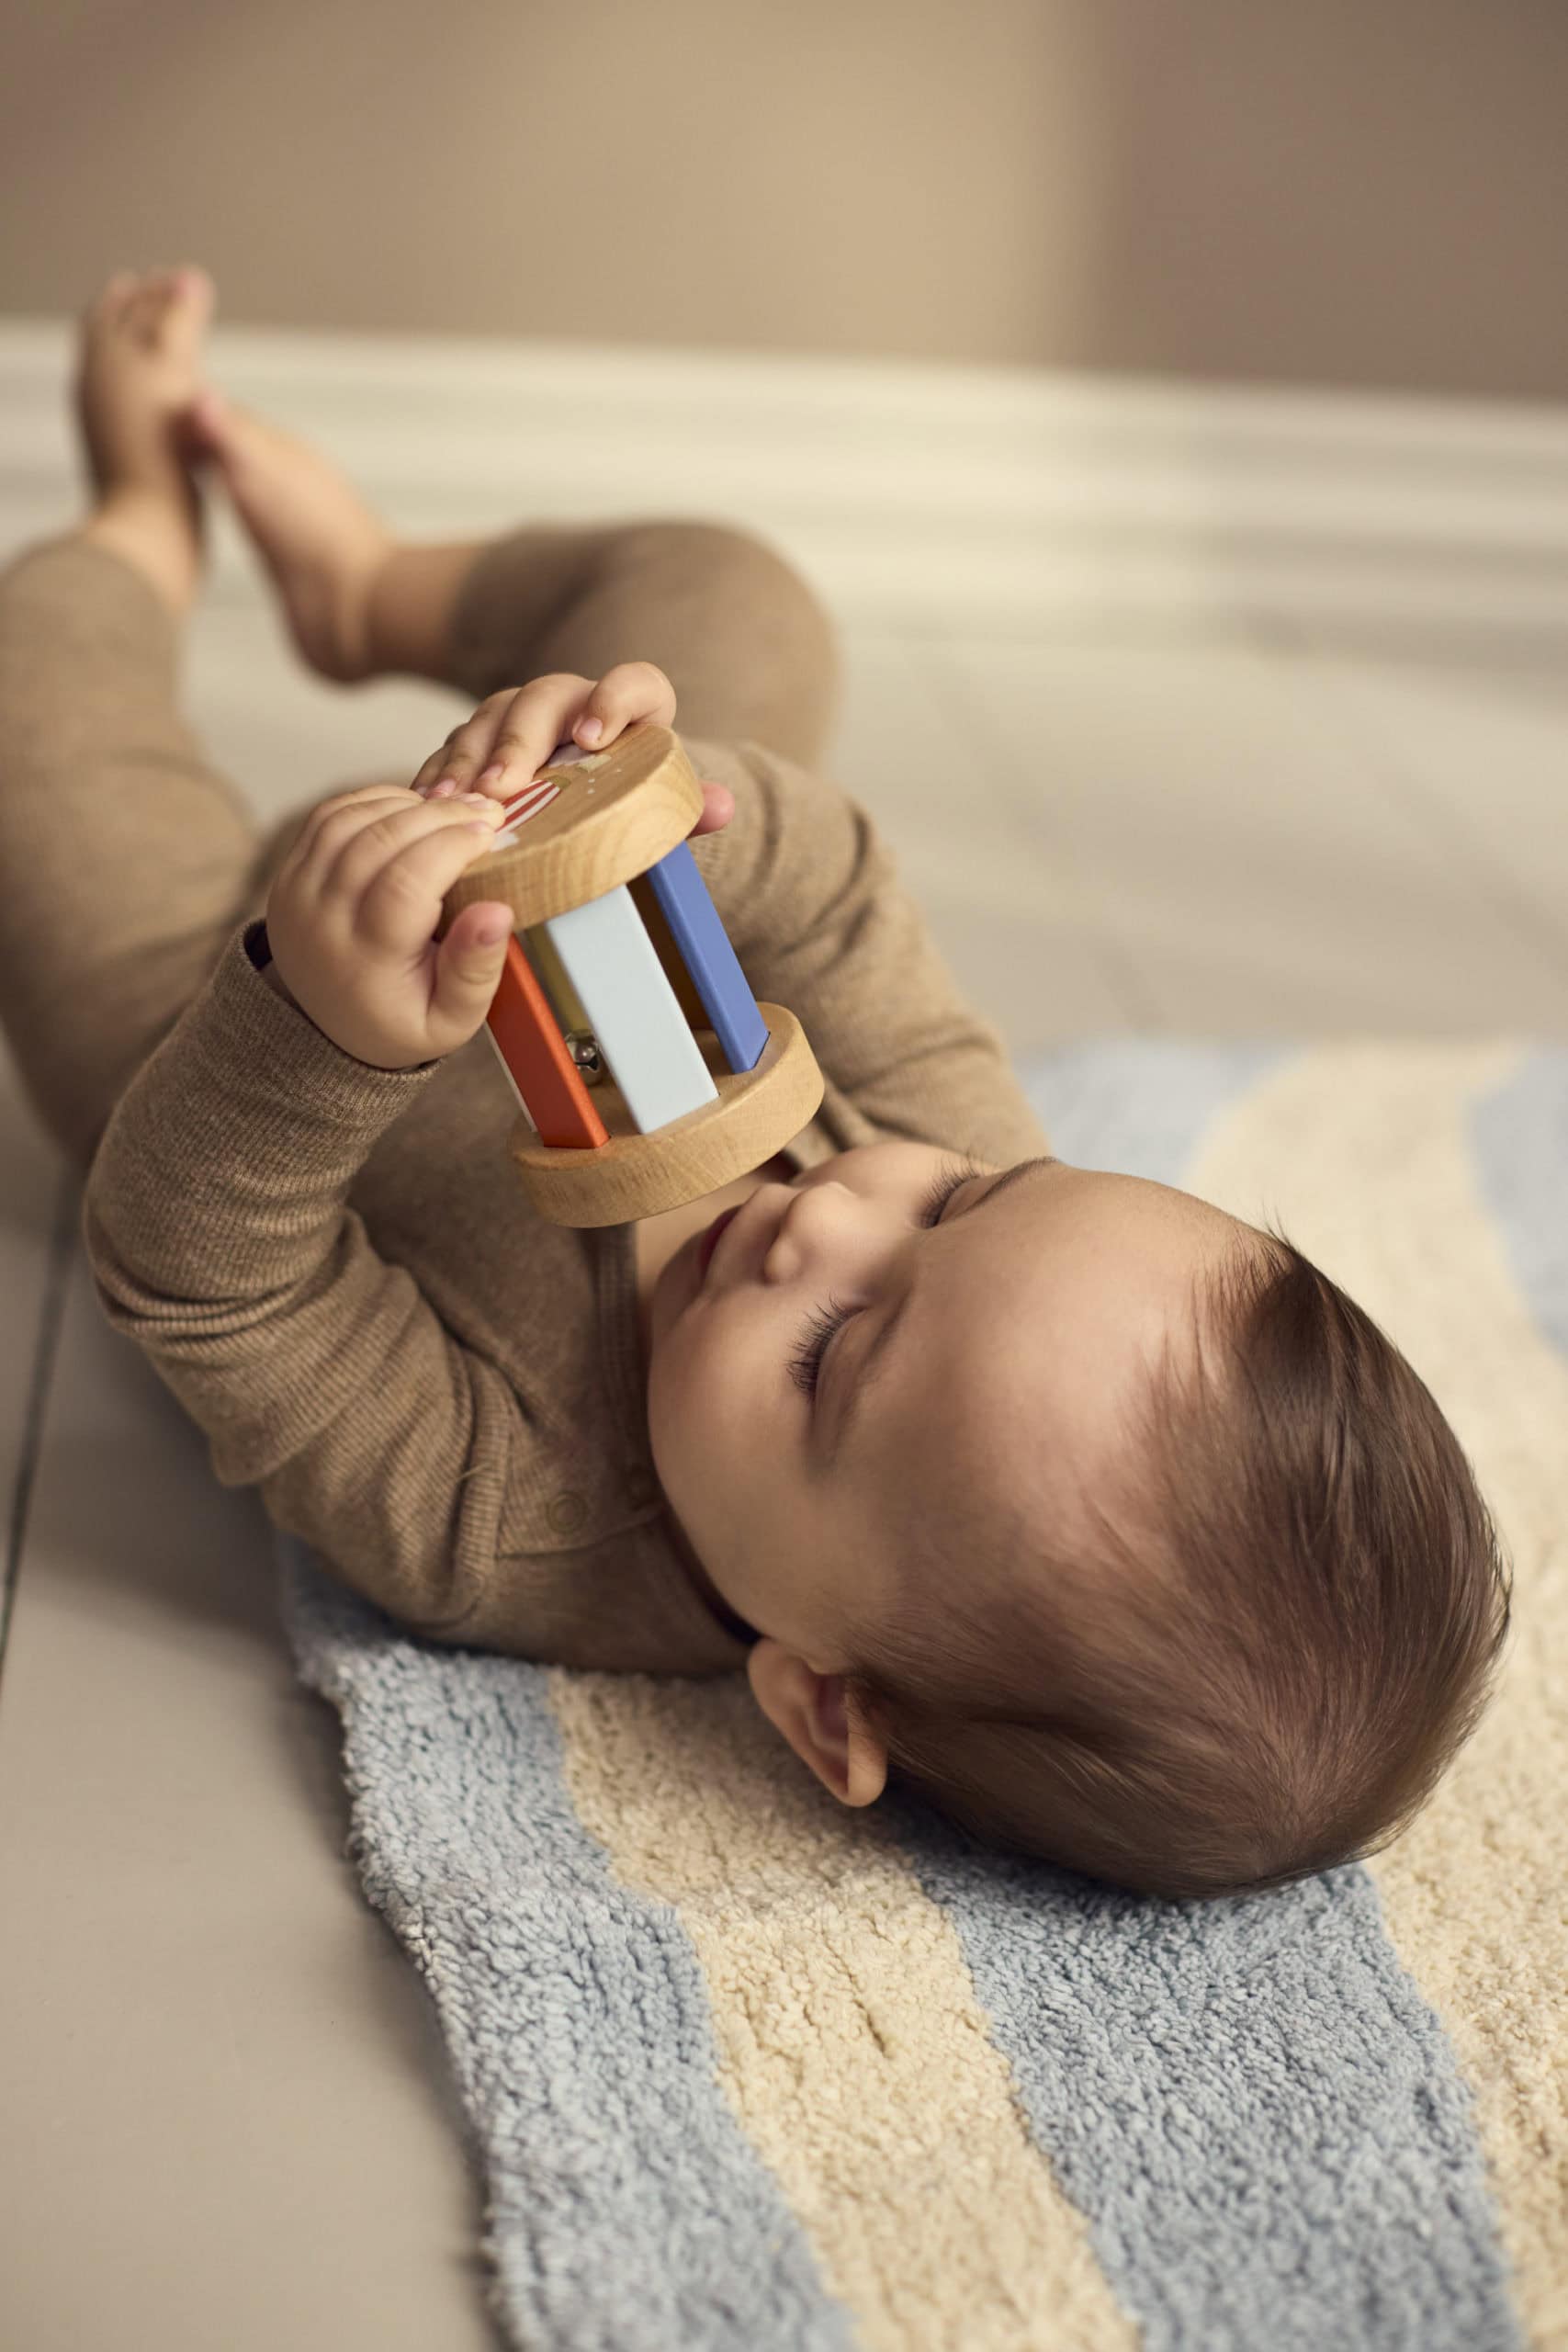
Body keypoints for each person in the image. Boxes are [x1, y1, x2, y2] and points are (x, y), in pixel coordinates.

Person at [0, 267, 1510, 1900]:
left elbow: (204, 1280)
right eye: (960, 1200)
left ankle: (138, 526)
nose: (832, 1218)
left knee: (29, 715)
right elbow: (845, 899)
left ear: (821, 1700)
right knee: (741, 600)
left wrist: (314, 1028)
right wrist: (680, 802)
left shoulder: (512, 1518)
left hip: (209, 1005)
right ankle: (372, 591)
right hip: (581, 867)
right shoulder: (956, 1172)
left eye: (835, 1358)